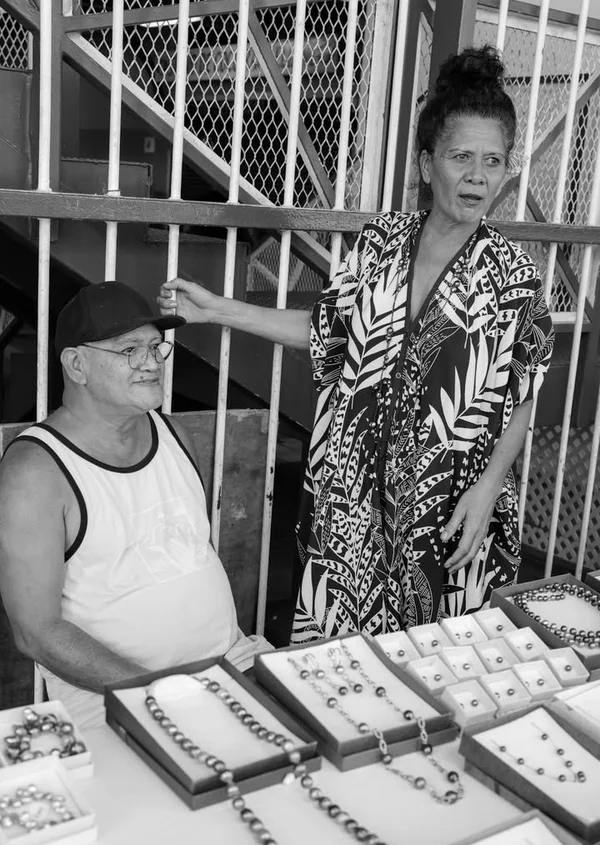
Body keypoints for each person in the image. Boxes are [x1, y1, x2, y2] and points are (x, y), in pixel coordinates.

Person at [157, 46, 555, 642]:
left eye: (493, 161)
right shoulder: (381, 244)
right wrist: (216, 310)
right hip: (351, 504)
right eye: (460, 156)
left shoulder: (516, 277)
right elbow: (325, 332)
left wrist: (490, 485)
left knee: (442, 672)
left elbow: (524, 394)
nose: (477, 175)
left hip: (449, 507)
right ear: (427, 164)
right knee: (346, 678)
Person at [0, 281, 270, 729]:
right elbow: (37, 633)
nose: (151, 363)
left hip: (232, 664)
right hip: (119, 701)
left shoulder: (172, 435)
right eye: (129, 350)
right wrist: (165, 693)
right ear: (77, 364)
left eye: (155, 347)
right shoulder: (37, 471)